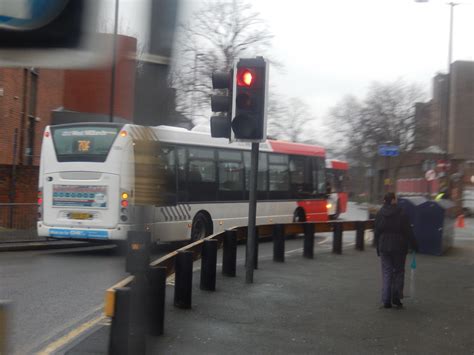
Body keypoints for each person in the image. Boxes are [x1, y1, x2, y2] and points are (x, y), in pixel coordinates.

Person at [374, 192, 417, 309]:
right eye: (396, 199)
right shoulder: (401, 213)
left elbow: (377, 232)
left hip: (384, 246)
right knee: (398, 272)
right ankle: (397, 299)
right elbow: (408, 231)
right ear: (393, 200)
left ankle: (386, 300)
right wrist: (414, 245)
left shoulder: (380, 213)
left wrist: (378, 247)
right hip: (399, 246)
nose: (397, 201)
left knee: (387, 273)